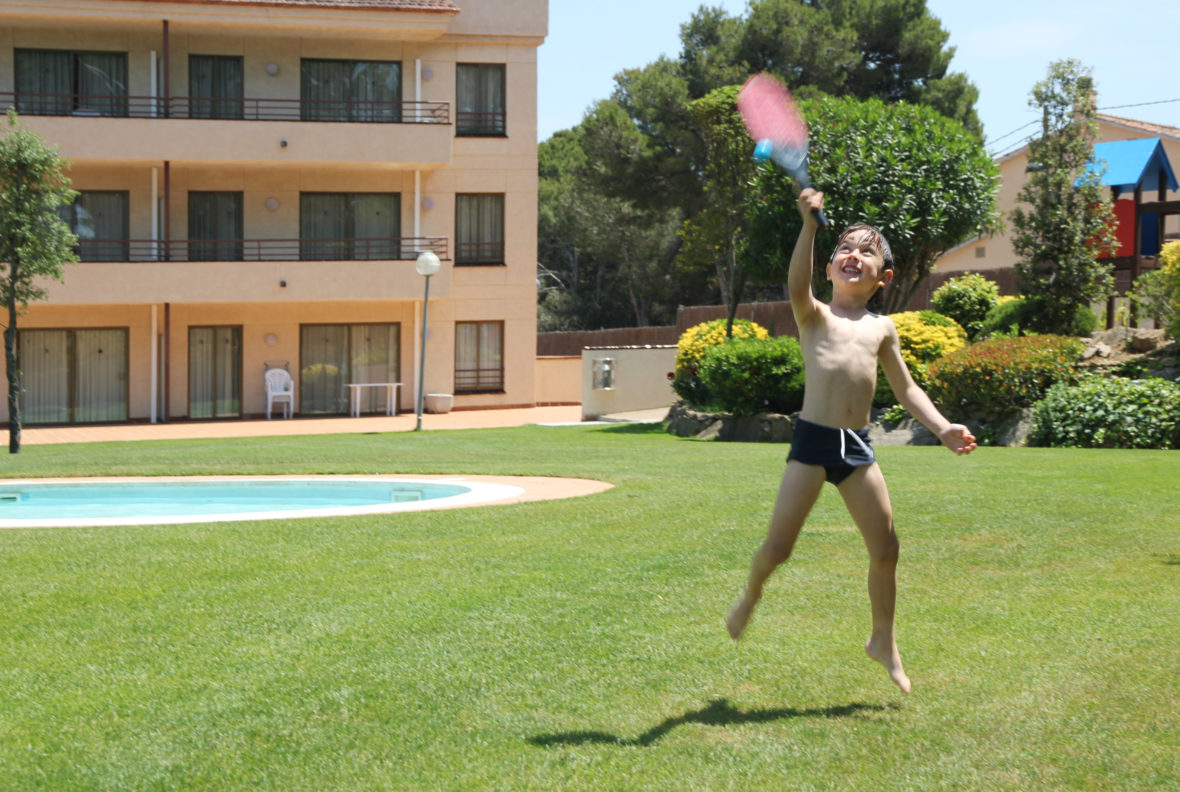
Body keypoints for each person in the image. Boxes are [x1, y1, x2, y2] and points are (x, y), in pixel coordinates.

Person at [725, 189, 977, 694]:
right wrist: (809, 226)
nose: (854, 255)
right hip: (813, 444)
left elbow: (906, 388)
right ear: (830, 267)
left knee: (886, 548)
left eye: (867, 250)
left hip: (856, 448)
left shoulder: (882, 328)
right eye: (847, 247)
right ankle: (750, 594)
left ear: (883, 278)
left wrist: (943, 427)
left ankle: (883, 639)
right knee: (778, 548)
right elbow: (795, 281)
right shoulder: (813, 314)